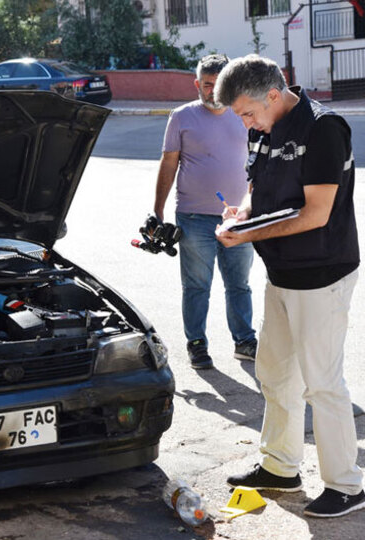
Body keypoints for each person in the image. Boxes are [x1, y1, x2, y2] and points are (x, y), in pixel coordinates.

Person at [216, 55, 363, 518]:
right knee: (276, 374)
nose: (245, 123)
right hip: (281, 273)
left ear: (274, 95)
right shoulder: (264, 128)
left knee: (322, 383)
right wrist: (241, 214)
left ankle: (347, 485)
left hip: (322, 274)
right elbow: (255, 189)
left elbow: (316, 214)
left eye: (247, 113)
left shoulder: (324, 129)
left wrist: (247, 235)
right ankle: (280, 467)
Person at [153, 53, 257, 370]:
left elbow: (258, 163)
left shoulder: (244, 114)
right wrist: (157, 211)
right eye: (207, 84)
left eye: (218, 84)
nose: (212, 91)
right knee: (197, 286)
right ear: (197, 84)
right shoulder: (181, 117)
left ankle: (244, 341)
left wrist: (253, 206)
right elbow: (168, 164)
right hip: (194, 217)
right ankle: (197, 343)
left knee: (239, 284)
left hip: (238, 218)